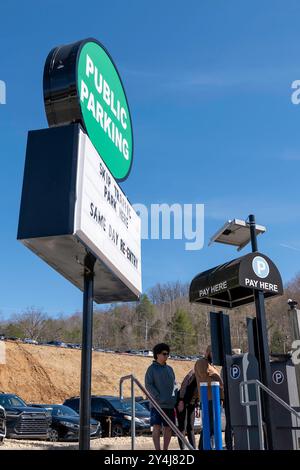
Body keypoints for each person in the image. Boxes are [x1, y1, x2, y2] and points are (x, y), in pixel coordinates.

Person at [145, 343, 177, 450]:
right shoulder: (151, 369)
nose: (166, 356)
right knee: (157, 427)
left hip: (169, 405)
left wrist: (175, 399)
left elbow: (175, 385)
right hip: (157, 405)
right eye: (164, 354)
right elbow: (148, 384)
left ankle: (165, 450)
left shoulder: (170, 369)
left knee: (168, 428)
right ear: (157, 355)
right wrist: (157, 396)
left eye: (168, 354)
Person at [194, 345, 224, 449]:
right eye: (213, 352)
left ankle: (208, 447)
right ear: (208, 352)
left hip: (216, 399)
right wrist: (220, 384)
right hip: (209, 399)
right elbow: (204, 378)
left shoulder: (212, 365)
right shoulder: (202, 363)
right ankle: (203, 447)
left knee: (213, 427)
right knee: (209, 426)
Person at [176, 369, 198, 449]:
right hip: (182, 400)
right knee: (182, 427)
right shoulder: (193, 372)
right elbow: (184, 384)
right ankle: (182, 449)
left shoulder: (205, 375)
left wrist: (197, 405)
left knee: (191, 427)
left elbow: (198, 393)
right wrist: (181, 400)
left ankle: (193, 448)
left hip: (192, 402)